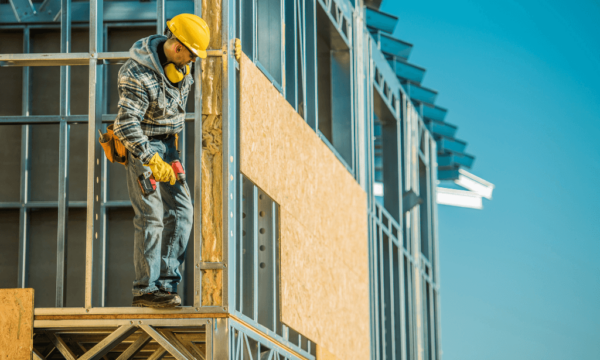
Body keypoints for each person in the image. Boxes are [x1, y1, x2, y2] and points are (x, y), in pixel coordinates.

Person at [113, 14, 210, 308]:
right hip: (144, 146)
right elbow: (125, 124)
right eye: (191, 55)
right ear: (177, 46)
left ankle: (166, 286)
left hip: (169, 147)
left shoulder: (181, 69)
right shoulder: (136, 74)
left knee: (183, 211)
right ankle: (145, 290)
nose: (192, 62)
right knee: (151, 215)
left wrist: (170, 155)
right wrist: (150, 158)